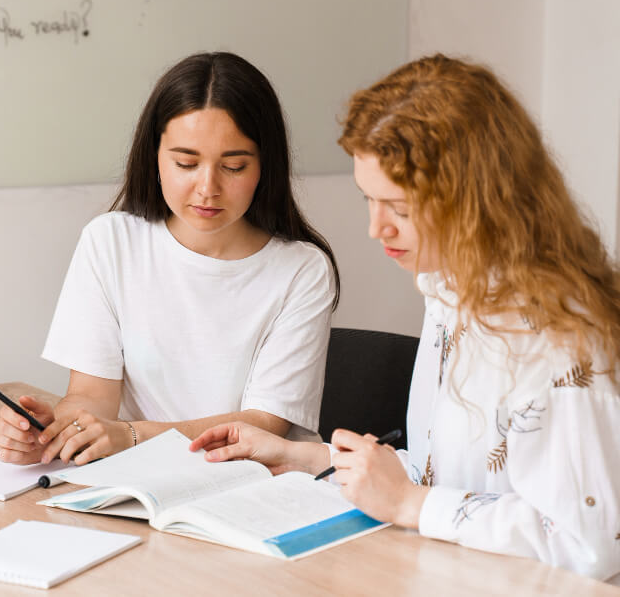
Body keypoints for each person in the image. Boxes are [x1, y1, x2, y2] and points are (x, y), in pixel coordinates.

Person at [190, 54, 620, 581]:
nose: (377, 229)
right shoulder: (449, 291)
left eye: (400, 209)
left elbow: (588, 544)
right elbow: (452, 479)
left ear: (477, 200)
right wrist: (302, 457)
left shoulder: (562, 338)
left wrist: (408, 504)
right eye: (369, 200)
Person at [0, 52, 340, 466]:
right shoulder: (111, 242)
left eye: (233, 166)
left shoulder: (302, 270)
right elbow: (92, 396)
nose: (207, 187)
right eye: (186, 163)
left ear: (265, 166)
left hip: (254, 484)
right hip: (141, 480)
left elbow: (262, 425)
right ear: (154, 156)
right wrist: (52, 432)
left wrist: (133, 436)